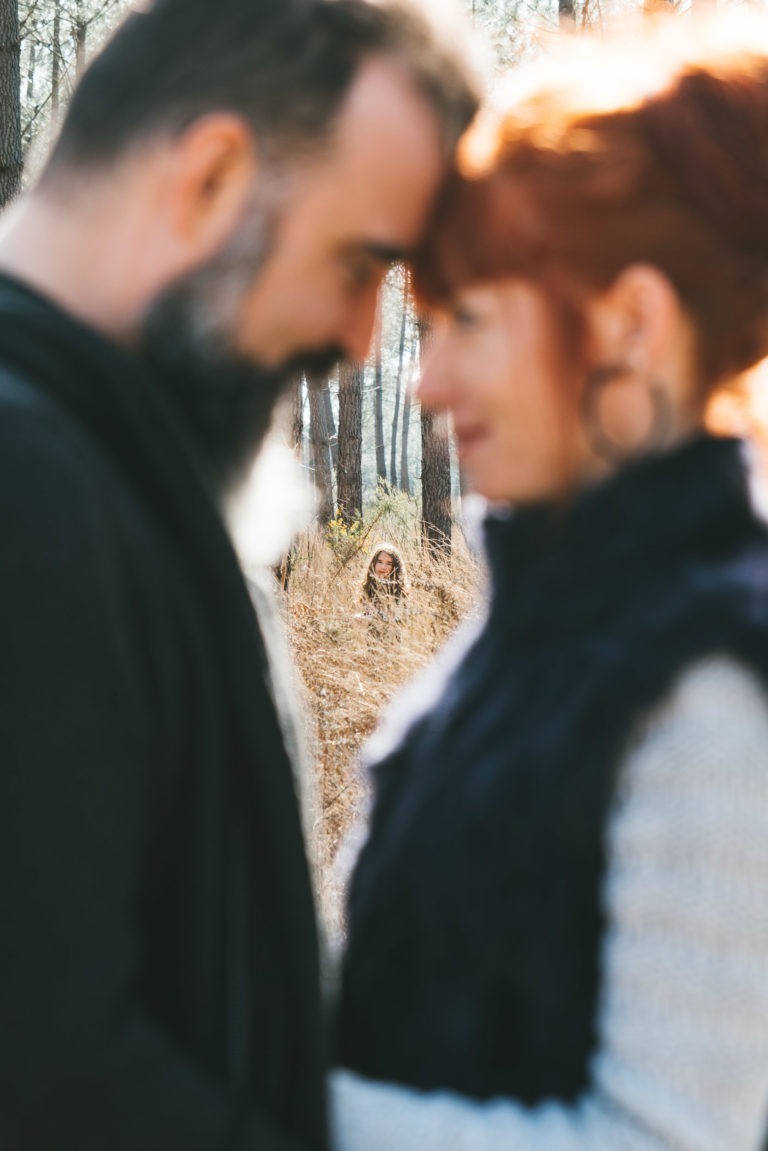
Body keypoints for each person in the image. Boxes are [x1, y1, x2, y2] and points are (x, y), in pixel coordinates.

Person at [0, 1, 478, 1147]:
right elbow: (50, 1076)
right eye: (361, 263)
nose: (369, 338)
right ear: (209, 177)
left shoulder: (121, 472)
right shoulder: (29, 488)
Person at [333, 15, 768, 1151]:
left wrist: (257, 1114)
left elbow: (665, 1135)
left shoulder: (715, 674)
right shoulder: (536, 626)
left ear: (631, 323)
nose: (427, 383)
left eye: (468, 321)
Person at [360, 542, 409, 618]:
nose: (383, 567)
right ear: (374, 564)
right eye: (379, 562)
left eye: (388, 563)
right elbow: (367, 612)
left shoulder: (399, 590)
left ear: (395, 567)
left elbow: (397, 617)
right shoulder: (369, 586)